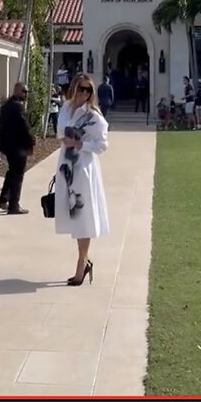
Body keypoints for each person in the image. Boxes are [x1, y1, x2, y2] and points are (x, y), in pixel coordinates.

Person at [55, 73, 111, 286]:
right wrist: (66, 140)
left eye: (89, 90)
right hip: (66, 166)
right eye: (81, 88)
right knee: (72, 214)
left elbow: (102, 144)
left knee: (83, 215)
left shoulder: (93, 115)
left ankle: (82, 262)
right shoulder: (66, 108)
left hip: (84, 167)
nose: (85, 93)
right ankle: (83, 261)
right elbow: (60, 133)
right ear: (74, 88)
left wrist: (81, 145)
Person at [0, 82, 35, 215]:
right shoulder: (18, 107)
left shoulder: (6, 105)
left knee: (12, 172)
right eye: (24, 91)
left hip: (8, 146)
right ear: (17, 90)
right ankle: (14, 205)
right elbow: (24, 127)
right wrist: (31, 141)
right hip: (18, 146)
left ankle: (3, 200)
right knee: (18, 175)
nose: (26, 94)